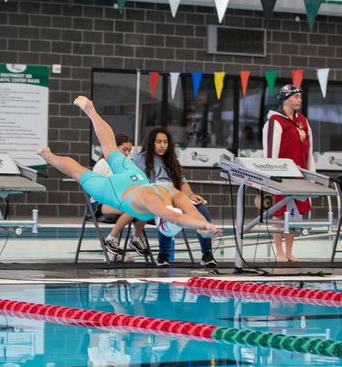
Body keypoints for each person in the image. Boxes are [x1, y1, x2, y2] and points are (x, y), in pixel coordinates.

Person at [38, 96, 221, 265]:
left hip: (134, 177)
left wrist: (205, 225)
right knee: (78, 172)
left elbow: (187, 213)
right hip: (115, 192)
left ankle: (91, 111)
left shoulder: (170, 191)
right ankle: (49, 156)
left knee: (109, 147)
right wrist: (202, 226)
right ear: (160, 221)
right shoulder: (152, 202)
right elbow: (175, 217)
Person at [133, 128, 218, 267]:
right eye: (159, 142)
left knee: (201, 209)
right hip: (154, 199)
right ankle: (163, 255)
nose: (162, 145)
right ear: (151, 143)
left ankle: (207, 255)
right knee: (168, 211)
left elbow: (182, 183)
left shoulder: (170, 160)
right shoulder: (140, 159)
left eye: (165, 142)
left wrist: (191, 195)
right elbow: (136, 183)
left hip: (176, 197)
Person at [262, 84, 315, 263]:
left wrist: (311, 176)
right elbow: (270, 153)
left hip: (299, 175)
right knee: (279, 213)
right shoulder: (275, 122)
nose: (299, 99)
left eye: (300, 96)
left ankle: (289, 251)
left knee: (294, 214)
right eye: (296, 97)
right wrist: (271, 178)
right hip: (280, 176)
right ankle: (279, 251)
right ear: (285, 99)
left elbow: (310, 152)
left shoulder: (303, 121)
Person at [91, 133, 149, 258]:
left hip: (121, 200)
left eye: (129, 150)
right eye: (124, 149)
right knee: (132, 207)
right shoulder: (102, 164)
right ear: (114, 148)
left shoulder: (127, 164)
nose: (127, 153)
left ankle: (136, 239)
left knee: (144, 207)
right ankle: (111, 239)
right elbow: (97, 189)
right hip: (99, 203)